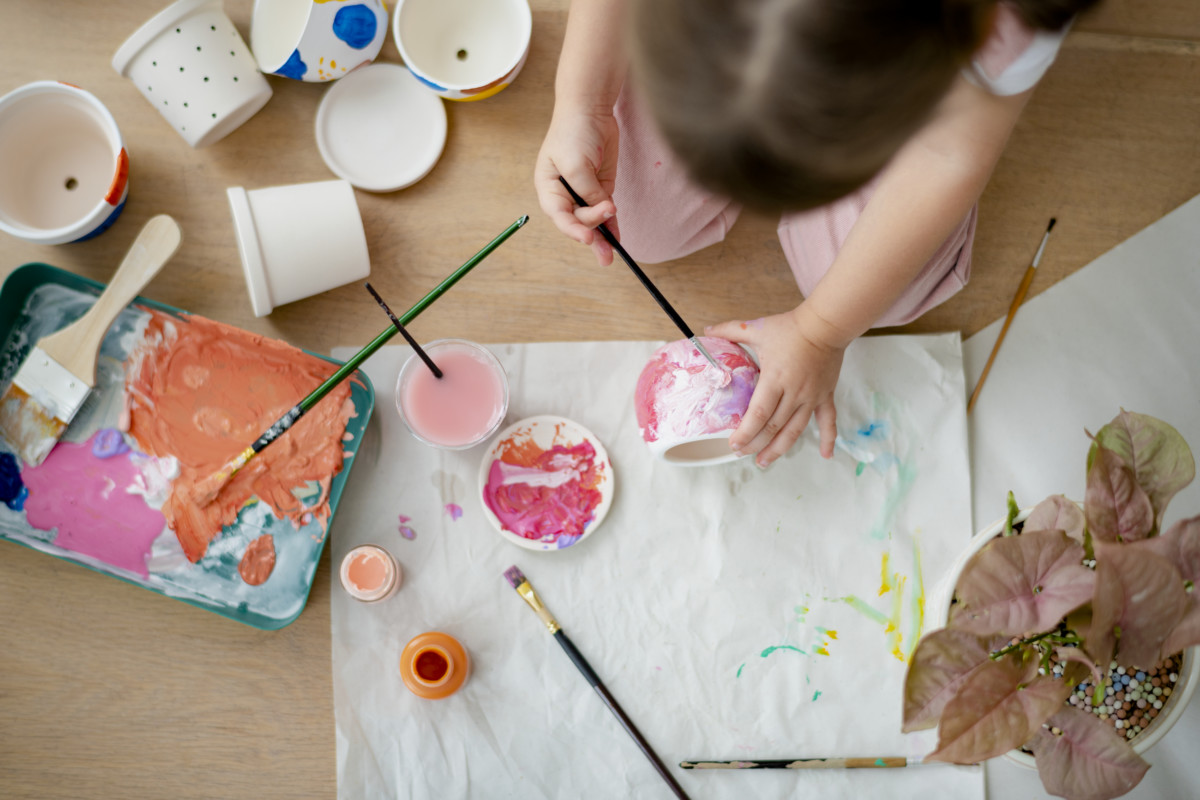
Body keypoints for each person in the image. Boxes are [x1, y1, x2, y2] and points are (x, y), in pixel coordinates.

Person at [534, 0, 1101, 467]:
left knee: (886, 292)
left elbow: (950, 152)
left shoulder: (1001, 23)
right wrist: (583, 104)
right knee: (623, 212)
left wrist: (821, 331)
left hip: (909, 66)